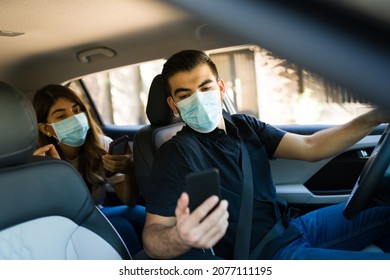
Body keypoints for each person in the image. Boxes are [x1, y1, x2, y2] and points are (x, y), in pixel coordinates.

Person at [142, 49, 390, 260]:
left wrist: (375, 117)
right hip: (267, 257)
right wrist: (180, 236)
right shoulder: (175, 153)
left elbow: (311, 147)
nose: (197, 99)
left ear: (219, 88)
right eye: (185, 95)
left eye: (205, 88)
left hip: (292, 228)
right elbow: (152, 236)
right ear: (174, 105)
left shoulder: (245, 126)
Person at [32, 84, 146, 256]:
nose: (74, 118)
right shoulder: (40, 160)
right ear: (46, 128)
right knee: (123, 228)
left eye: (77, 110)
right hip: (66, 222)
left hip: (97, 211)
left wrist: (129, 169)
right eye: (62, 116)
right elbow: (55, 216)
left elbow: (128, 201)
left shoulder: (103, 145)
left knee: (142, 213)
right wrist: (56, 175)